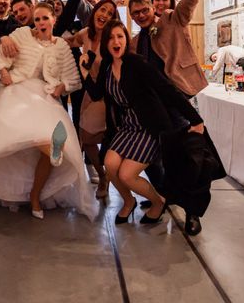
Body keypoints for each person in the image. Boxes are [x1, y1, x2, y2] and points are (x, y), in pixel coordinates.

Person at [0, 2, 97, 221]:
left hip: (46, 94)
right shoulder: (23, 35)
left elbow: (71, 77)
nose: (41, 23)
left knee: (51, 145)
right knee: (23, 134)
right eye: (38, 19)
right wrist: (4, 71)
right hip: (17, 90)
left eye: (45, 18)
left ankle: (36, 194)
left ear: (54, 19)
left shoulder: (61, 45)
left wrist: (62, 87)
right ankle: (21, 186)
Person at [81, 20, 204, 226]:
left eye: (120, 36)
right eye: (111, 37)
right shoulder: (106, 66)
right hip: (126, 127)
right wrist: (84, 71)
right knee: (110, 165)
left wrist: (196, 119)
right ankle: (128, 203)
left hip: (149, 127)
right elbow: (96, 94)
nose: (115, 41)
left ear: (126, 39)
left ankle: (159, 202)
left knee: (127, 175)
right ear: (106, 43)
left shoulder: (136, 63)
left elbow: (167, 90)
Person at [129, 0, 208, 235]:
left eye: (144, 10)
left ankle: (192, 212)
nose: (141, 15)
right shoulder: (136, 42)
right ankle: (165, 195)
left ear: (152, 8)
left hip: (182, 99)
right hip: (156, 108)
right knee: (156, 156)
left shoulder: (174, 20)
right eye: (135, 13)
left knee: (191, 157)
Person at [66, 0, 118, 199]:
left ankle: (116, 178)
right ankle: (103, 176)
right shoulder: (86, 33)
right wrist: (46, 38)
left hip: (110, 93)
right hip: (92, 93)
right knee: (87, 139)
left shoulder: (113, 38)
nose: (104, 14)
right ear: (94, 12)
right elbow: (71, 41)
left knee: (112, 140)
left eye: (110, 13)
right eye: (102, 9)